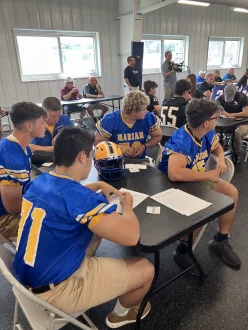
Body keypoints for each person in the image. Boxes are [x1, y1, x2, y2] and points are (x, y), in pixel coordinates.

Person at [13, 127, 154, 328]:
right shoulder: (80, 198)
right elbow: (131, 236)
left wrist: (97, 186)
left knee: (94, 232)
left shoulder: (40, 181)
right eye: (90, 155)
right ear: (82, 157)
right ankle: (121, 315)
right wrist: (127, 206)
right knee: (146, 269)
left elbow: (63, 196)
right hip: (56, 291)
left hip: (26, 279)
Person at [158, 99, 240, 273]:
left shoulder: (206, 132)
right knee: (201, 208)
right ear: (206, 122)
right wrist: (208, 175)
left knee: (231, 193)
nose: (217, 119)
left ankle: (220, 239)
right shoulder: (182, 139)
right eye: (215, 117)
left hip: (195, 181)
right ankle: (182, 251)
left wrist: (219, 159)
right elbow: (175, 173)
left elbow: (216, 147)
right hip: (172, 185)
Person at [0, 102, 47, 239]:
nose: (45, 125)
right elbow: (13, 208)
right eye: (42, 122)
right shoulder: (12, 157)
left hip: (11, 209)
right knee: (57, 222)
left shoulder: (20, 146)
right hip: (4, 219)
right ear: (29, 126)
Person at [95, 91, 162, 158]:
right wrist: (119, 147)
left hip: (138, 161)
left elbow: (157, 136)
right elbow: (97, 143)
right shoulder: (110, 120)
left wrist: (144, 146)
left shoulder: (148, 118)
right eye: (144, 109)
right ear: (134, 112)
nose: (146, 111)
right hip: (114, 161)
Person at [217, 84, 248, 161]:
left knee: (237, 133)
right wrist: (219, 113)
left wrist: (231, 114)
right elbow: (214, 108)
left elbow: (247, 113)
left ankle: (235, 156)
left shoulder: (243, 98)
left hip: (244, 123)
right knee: (211, 130)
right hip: (227, 123)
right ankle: (216, 153)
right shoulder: (221, 98)